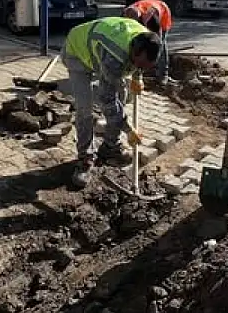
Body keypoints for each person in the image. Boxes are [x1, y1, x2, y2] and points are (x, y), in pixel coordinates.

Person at [61, 16, 163, 188]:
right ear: (133, 52)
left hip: (100, 52)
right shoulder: (114, 57)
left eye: (146, 66)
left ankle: (110, 147)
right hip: (77, 53)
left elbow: (140, 63)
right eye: (139, 64)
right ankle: (85, 159)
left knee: (123, 93)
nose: (141, 67)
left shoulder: (145, 38)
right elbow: (107, 100)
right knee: (85, 108)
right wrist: (128, 129)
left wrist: (138, 76)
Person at [122, 0, 173, 85]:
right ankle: (139, 69)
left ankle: (163, 74)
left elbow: (157, 39)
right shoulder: (127, 13)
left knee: (160, 45)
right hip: (147, 7)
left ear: (138, 19)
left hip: (163, 13)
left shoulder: (150, 17)